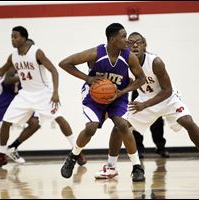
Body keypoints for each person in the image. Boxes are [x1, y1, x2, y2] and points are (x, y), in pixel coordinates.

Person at [95, 32, 199, 178]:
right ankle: (111, 167)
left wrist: (145, 105)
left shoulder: (155, 62)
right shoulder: (125, 64)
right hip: (145, 98)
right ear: (126, 46)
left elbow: (167, 90)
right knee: (119, 127)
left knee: (187, 121)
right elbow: (123, 87)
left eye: (139, 42)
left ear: (145, 45)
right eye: (131, 42)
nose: (135, 45)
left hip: (168, 98)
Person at [0, 26, 86, 168]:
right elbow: (1, 70)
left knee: (59, 118)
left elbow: (54, 71)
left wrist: (55, 92)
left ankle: (77, 152)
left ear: (24, 38)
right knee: (6, 122)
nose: (12, 40)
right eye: (11, 37)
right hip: (25, 94)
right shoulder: (13, 56)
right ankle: (2, 155)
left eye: (15, 36)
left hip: (44, 93)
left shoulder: (36, 52)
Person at [59, 23, 146, 182]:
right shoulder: (96, 53)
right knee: (91, 128)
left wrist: (122, 92)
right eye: (123, 37)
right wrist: (88, 78)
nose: (126, 41)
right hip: (94, 97)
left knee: (122, 125)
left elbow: (142, 79)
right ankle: (73, 156)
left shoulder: (128, 56)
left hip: (117, 96)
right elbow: (64, 63)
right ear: (112, 40)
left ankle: (137, 167)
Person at [131, 89, 170, 158]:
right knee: (137, 122)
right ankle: (138, 149)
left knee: (158, 122)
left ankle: (160, 148)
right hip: (138, 90)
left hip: (153, 92)